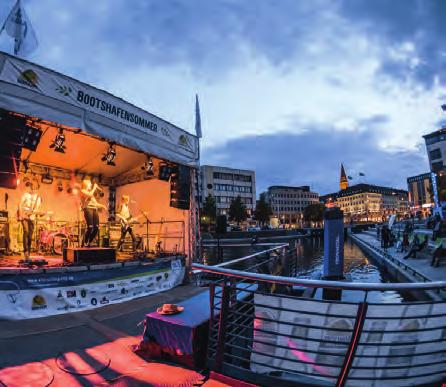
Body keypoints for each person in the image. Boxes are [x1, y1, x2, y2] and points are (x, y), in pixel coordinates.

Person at [17, 183, 42, 259]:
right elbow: (20, 204)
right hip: (24, 215)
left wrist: (41, 214)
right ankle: (26, 252)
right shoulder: (25, 195)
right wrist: (21, 215)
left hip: (32, 217)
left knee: (30, 236)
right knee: (26, 231)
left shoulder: (38, 198)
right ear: (30, 187)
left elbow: (38, 210)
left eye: (35, 188)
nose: (33, 189)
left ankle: (29, 252)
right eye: (32, 188)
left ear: (37, 188)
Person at [80, 178, 106, 247]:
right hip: (88, 209)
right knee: (90, 227)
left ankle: (90, 242)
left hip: (94, 209)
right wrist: (94, 188)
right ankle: (85, 241)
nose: (91, 185)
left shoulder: (92, 194)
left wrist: (102, 206)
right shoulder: (83, 191)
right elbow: (89, 195)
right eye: (90, 184)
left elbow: (96, 204)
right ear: (86, 184)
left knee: (96, 228)